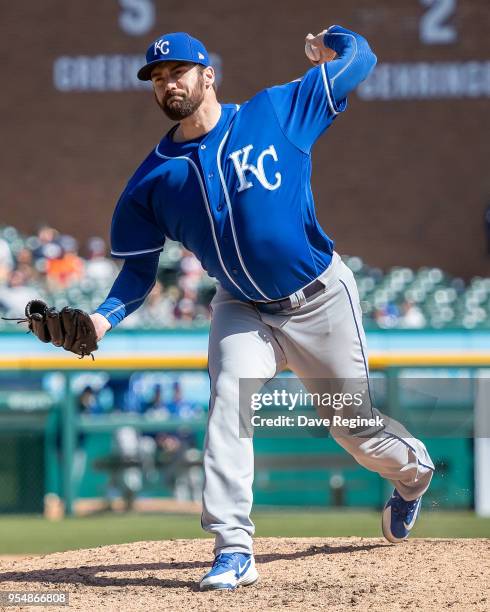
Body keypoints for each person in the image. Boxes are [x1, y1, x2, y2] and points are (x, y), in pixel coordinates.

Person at [89, 28, 434, 590]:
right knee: (229, 399)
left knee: (354, 429)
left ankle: (413, 474)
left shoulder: (276, 111)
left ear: (208, 74)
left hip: (320, 298)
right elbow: (136, 272)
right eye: (156, 77)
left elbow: (361, 58)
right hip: (242, 306)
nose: (167, 83)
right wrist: (102, 318)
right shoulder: (151, 180)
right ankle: (233, 549)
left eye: (177, 71)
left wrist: (333, 41)